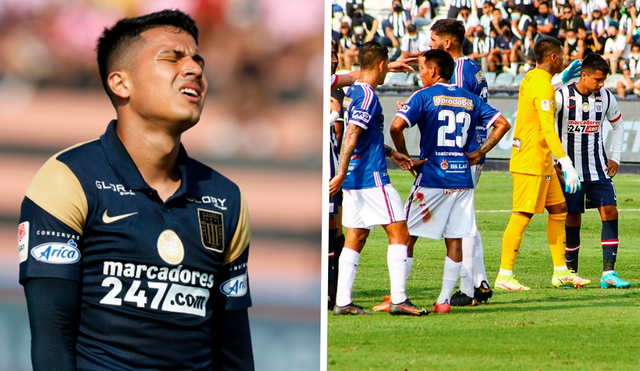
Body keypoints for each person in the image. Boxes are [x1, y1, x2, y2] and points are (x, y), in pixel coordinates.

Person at [18, 9, 254, 371]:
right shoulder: (67, 179)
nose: (194, 69)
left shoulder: (226, 198)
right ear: (120, 83)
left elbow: (234, 352)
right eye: (172, 58)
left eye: (196, 60)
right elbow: (52, 342)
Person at [389, 49, 511, 313]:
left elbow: (395, 127)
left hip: (432, 175)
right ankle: (444, 300)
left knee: (405, 235)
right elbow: (502, 123)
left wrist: (407, 158)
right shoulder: (469, 98)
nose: (420, 74)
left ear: (433, 71)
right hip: (462, 179)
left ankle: (397, 296)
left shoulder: (424, 95)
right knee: (455, 238)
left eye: (422, 68)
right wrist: (479, 152)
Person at [329, 41, 428, 317]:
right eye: (386, 68)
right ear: (382, 66)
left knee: (355, 237)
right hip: (370, 177)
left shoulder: (353, 92)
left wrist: (392, 153)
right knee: (400, 232)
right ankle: (399, 299)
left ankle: (343, 302)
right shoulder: (369, 96)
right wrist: (340, 171)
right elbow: (350, 135)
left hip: (353, 179)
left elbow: (362, 136)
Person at [494, 37, 590, 291]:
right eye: (563, 54)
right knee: (521, 216)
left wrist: (560, 80)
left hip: (542, 160)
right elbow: (548, 127)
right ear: (554, 58)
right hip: (531, 158)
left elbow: (542, 90)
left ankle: (561, 272)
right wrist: (567, 164)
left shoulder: (532, 77)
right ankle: (504, 276)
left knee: (559, 210)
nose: (566, 58)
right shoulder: (543, 86)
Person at [554, 53, 631, 289]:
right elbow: (543, 123)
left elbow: (618, 126)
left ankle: (609, 273)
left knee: (610, 212)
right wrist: (555, 161)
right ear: (584, 75)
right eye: (597, 80)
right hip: (570, 170)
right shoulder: (562, 96)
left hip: (598, 169)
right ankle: (571, 272)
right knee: (573, 217)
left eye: (603, 80)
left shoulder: (606, 97)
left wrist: (615, 158)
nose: (601, 84)